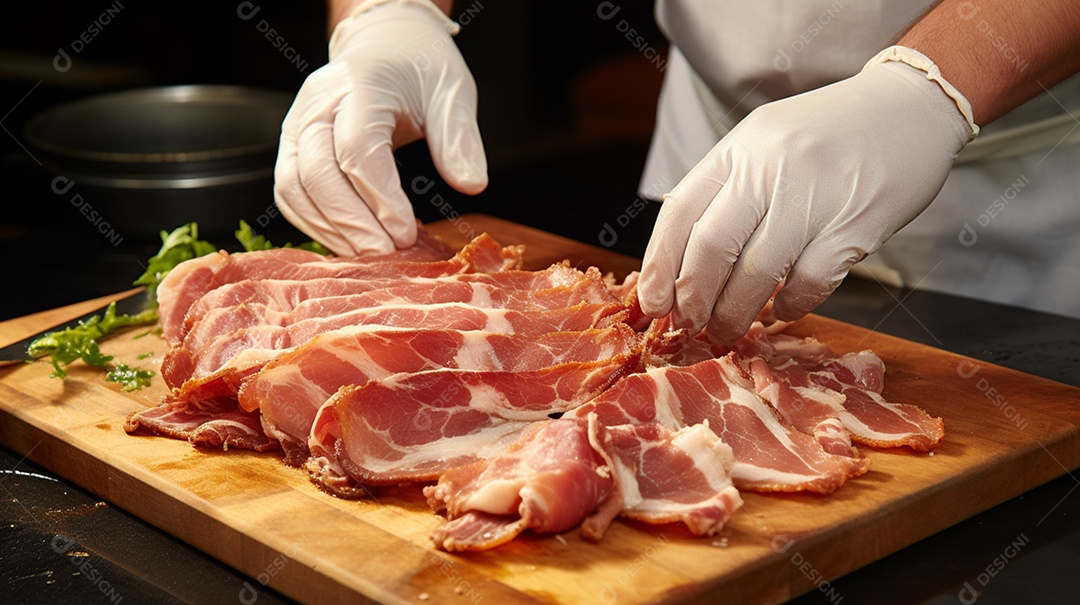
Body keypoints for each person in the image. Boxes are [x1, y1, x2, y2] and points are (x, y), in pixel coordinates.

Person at [274, 0, 1080, 345]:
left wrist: (929, 91)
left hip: (1017, 172)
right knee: (677, 361)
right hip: (722, 130)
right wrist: (386, 15)